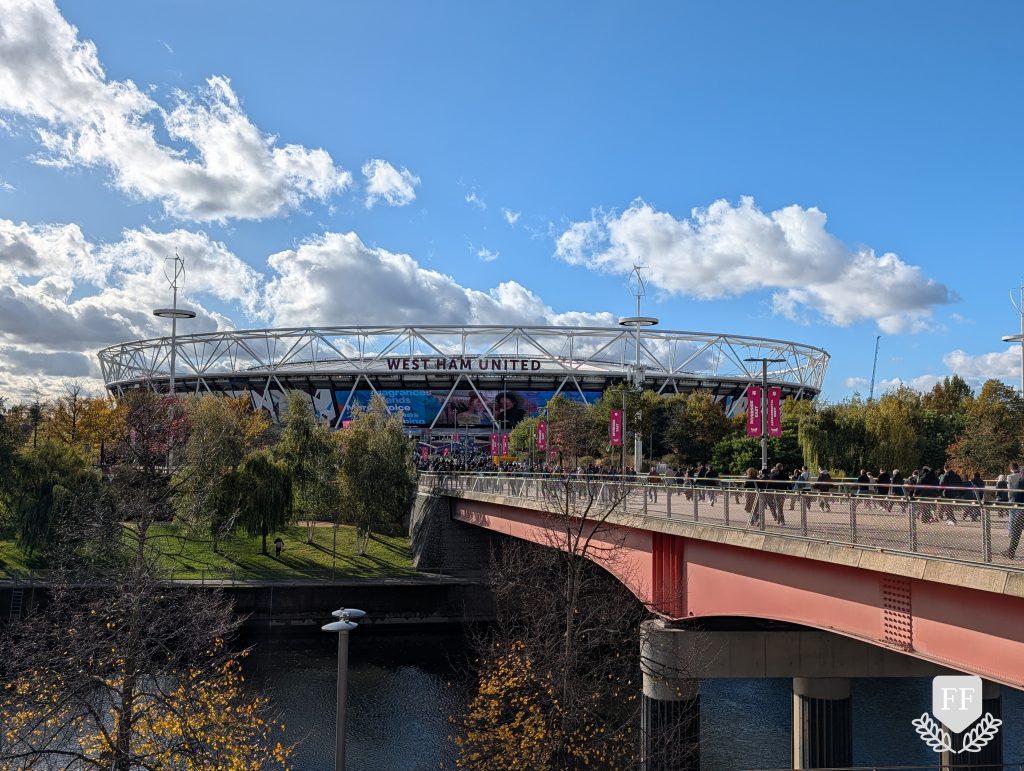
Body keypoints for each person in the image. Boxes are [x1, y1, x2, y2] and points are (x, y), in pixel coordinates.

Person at [1004, 462, 1024, 559]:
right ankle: (1010, 551)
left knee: (1016, 529)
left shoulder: (1022, 481)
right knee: (1017, 529)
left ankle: (1010, 552)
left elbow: (1017, 494)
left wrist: (1014, 501)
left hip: (1021, 508)